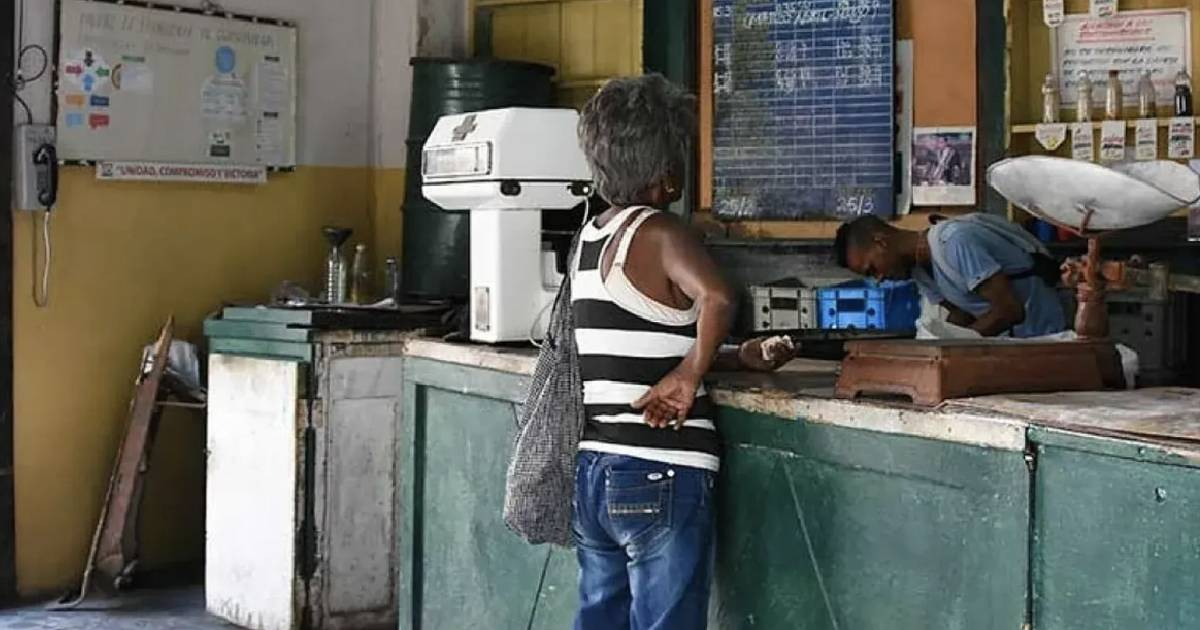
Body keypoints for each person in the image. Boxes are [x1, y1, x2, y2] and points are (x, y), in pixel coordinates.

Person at [571, 74, 791, 630]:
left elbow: (644, 347)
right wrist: (693, 373)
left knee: (600, 618)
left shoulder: (591, 237)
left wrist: (732, 358)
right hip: (659, 472)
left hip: (595, 472)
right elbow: (718, 296)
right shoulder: (663, 231)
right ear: (668, 175)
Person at [833, 213, 1067, 338]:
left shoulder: (954, 242)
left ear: (880, 241)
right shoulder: (919, 270)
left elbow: (1009, 310)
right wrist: (934, 343)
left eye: (872, 269)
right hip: (1017, 347)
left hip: (1047, 338)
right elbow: (961, 315)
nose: (879, 279)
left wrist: (956, 347)